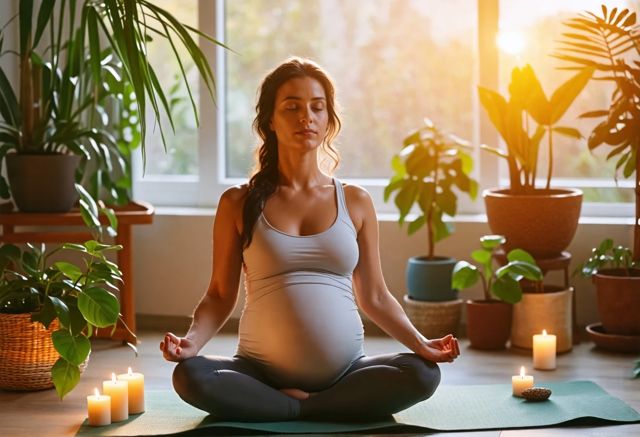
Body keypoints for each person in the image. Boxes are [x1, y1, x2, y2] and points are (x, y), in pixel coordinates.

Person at [160, 57, 460, 422]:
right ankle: (312, 407)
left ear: (329, 119)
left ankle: (294, 407)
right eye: (292, 107)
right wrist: (192, 342)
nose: (307, 117)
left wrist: (421, 343)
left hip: (346, 373)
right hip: (258, 373)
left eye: (317, 107)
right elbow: (220, 295)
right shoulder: (238, 202)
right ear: (269, 120)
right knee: (191, 376)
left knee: (422, 373)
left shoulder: (356, 201)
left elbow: (376, 295)